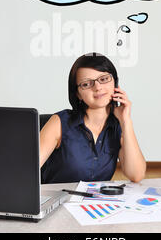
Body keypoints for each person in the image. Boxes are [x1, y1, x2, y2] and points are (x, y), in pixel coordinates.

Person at [40, 52, 146, 183]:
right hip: (58, 201)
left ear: (115, 83)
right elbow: (27, 170)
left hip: (95, 202)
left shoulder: (118, 126)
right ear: (78, 94)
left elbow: (136, 175)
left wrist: (126, 122)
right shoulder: (60, 122)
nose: (97, 87)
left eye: (104, 79)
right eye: (86, 84)